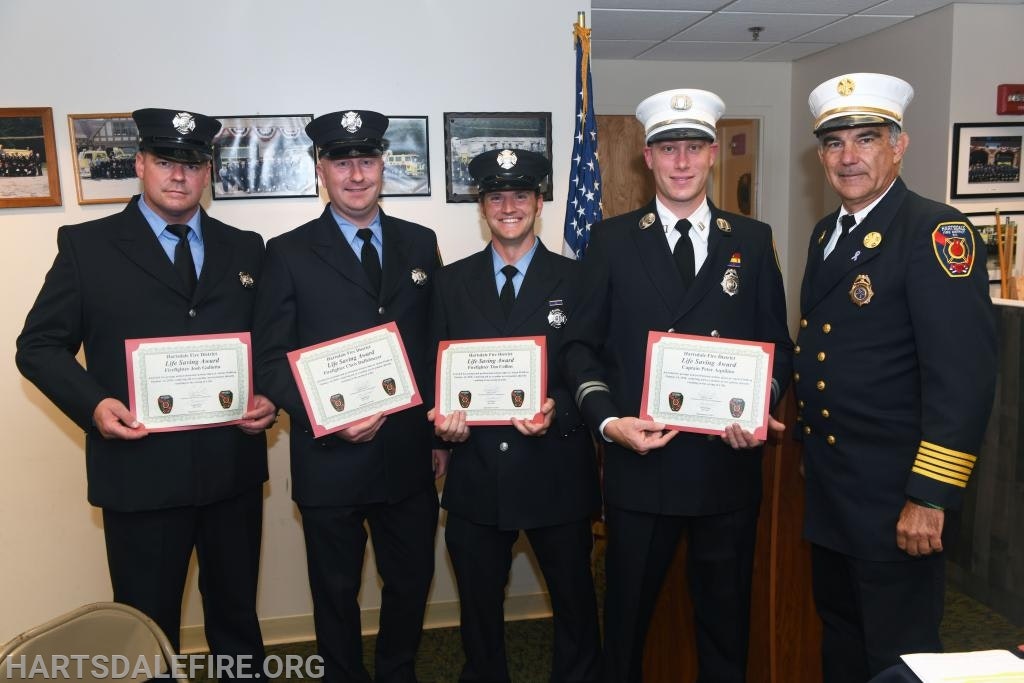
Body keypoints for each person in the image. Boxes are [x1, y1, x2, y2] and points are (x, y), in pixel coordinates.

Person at [15, 108, 276, 672]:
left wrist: (271, 397)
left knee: (236, 619)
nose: (177, 176)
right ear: (140, 165)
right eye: (164, 162)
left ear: (207, 172)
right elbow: (37, 346)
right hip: (140, 472)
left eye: (191, 164)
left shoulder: (246, 248)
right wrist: (93, 405)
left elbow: (270, 344)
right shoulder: (89, 247)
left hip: (230, 470)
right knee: (146, 627)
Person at [560, 89, 793, 682]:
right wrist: (609, 422)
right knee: (627, 632)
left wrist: (759, 406)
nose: (682, 162)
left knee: (725, 629)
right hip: (643, 470)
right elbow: (580, 348)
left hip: (726, 471)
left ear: (714, 154)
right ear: (647, 157)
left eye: (694, 148)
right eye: (669, 149)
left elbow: (778, 349)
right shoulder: (611, 241)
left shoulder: (753, 239)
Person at [797, 73, 997, 681]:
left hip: (896, 499)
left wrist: (929, 498)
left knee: (901, 656)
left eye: (867, 138)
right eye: (834, 143)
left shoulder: (936, 233)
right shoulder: (828, 235)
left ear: (899, 146)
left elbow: (962, 381)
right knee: (843, 639)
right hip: (834, 493)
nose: (849, 156)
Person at [252, 110, 444, 683]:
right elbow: (269, 358)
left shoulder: (419, 242)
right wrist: (324, 417)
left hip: (408, 455)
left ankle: (396, 672)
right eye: (342, 162)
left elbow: (434, 343)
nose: (356, 175)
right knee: (335, 591)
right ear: (321, 170)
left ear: (383, 165)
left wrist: (439, 436)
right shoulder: (286, 253)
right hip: (330, 458)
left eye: (366, 160)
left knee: (410, 582)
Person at [430, 149, 602, 683]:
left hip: (556, 469)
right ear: (482, 207)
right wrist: (438, 422)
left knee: (575, 605)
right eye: (496, 197)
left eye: (521, 195)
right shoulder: (450, 282)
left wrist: (562, 408)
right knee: (480, 612)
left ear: (539, 203)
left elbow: (593, 363)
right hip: (478, 472)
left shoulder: (579, 280)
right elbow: (431, 364)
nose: (509, 207)